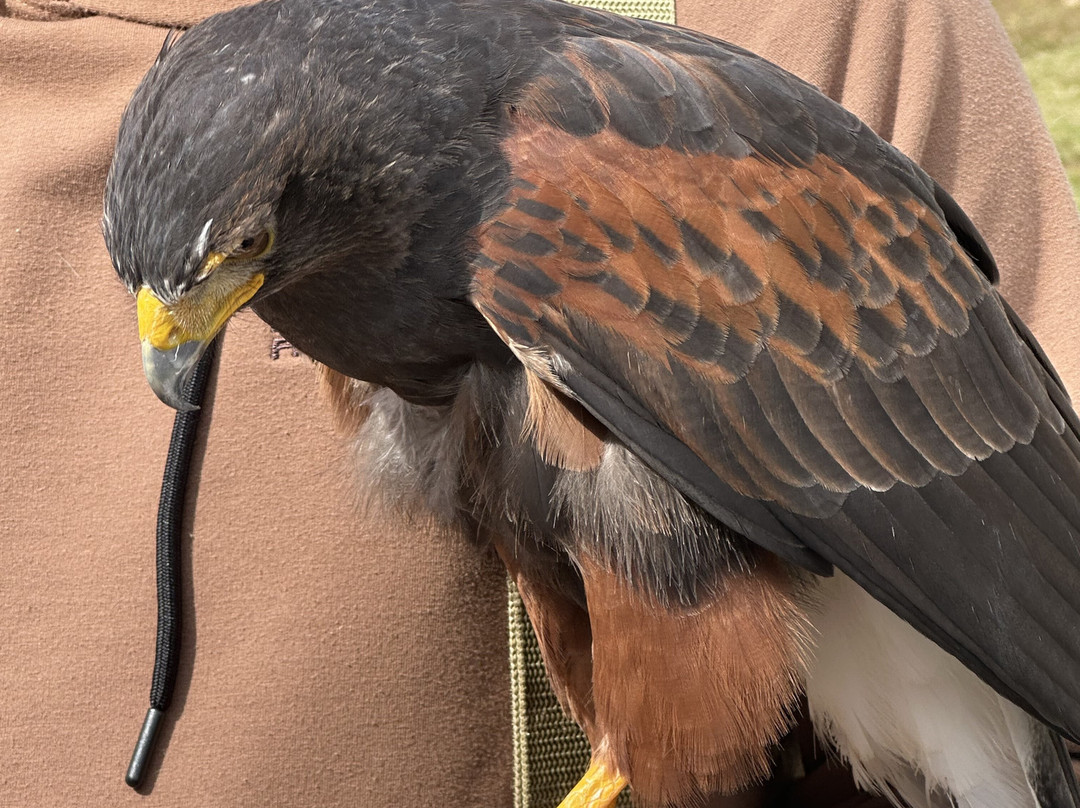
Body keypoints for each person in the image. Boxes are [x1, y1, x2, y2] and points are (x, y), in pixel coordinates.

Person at [2, 0, 1076, 806]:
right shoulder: (312, 212)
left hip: (920, 641)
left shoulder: (567, 164)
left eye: (241, 255)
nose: (179, 337)